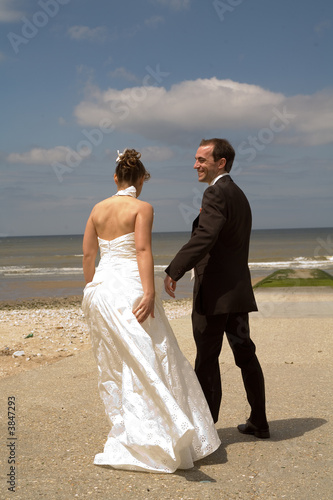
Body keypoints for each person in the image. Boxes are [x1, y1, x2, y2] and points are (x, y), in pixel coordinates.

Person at [82, 148, 220, 473]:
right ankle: (164, 432)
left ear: (116, 177)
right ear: (141, 179)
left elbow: (89, 255)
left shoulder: (97, 209)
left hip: (103, 291)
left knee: (118, 363)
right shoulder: (143, 207)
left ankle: (135, 431)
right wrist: (150, 290)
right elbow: (143, 249)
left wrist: (91, 289)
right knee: (154, 355)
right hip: (132, 288)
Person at [164, 138, 269, 439]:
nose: (195, 165)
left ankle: (205, 432)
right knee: (245, 354)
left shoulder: (215, 193)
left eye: (201, 159)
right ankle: (259, 422)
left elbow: (205, 237)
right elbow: (222, 238)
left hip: (214, 295)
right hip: (237, 293)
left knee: (207, 359)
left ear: (220, 162)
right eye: (196, 159)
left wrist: (175, 268)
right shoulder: (237, 194)